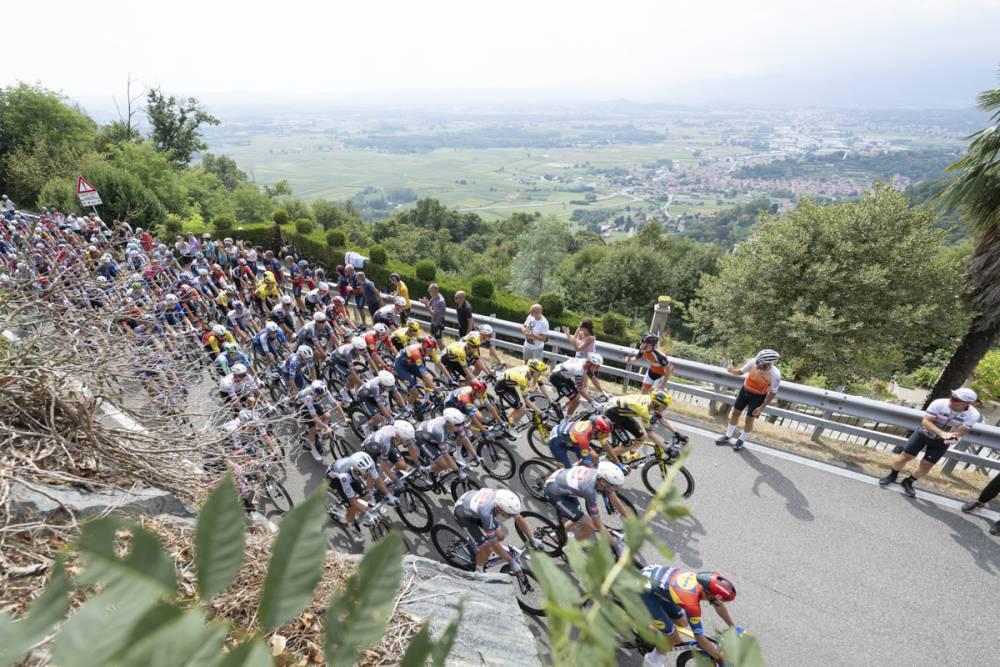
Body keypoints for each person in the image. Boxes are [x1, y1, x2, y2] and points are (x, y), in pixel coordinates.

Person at [879, 387, 981, 498]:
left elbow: (961, 431)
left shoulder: (973, 414)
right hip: (923, 433)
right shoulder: (939, 403)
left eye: (956, 400)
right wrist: (941, 433)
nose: (951, 400)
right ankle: (893, 475)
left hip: (943, 440)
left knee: (927, 465)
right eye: (952, 397)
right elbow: (926, 421)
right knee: (904, 457)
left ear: (967, 403)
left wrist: (950, 440)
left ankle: (908, 482)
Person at [638, 567, 738, 667]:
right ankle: (653, 659)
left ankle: (658, 624)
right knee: (673, 639)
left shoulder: (707, 581)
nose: (720, 602)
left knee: (683, 622)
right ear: (709, 594)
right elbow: (699, 638)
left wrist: (733, 627)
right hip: (645, 592)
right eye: (719, 599)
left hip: (655, 583)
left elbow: (718, 604)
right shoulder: (692, 603)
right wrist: (719, 659)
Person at [542, 463, 628, 554]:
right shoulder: (589, 490)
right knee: (589, 527)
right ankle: (568, 548)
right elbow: (597, 524)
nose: (616, 489)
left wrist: (629, 518)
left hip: (561, 484)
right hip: (553, 493)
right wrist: (616, 545)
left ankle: (558, 535)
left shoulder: (599, 477)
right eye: (614, 486)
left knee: (578, 518)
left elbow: (614, 499)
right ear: (603, 482)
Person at [453, 488, 542, 572]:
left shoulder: (503, 499)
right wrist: (511, 561)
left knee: (500, 535)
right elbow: (494, 543)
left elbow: (518, 518)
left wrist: (532, 539)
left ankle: (477, 543)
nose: (509, 517)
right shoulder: (486, 513)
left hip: (474, 506)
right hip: (463, 515)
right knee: (486, 547)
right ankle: (478, 570)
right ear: (499, 508)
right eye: (508, 515)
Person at [715, 349, 781, 452]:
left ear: (768, 364)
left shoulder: (775, 375)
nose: (757, 363)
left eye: (760, 362)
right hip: (744, 391)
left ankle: (741, 440)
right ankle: (728, 436)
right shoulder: (753, 362)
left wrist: (762, 407)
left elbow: (773, 392)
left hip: (758, 397)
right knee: (735, 413)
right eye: (757, 361)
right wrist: (732, 370)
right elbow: (741, 372)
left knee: (749, 420)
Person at [326, 451, 390, 543]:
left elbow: (377, 479)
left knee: (365, 495)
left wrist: (389, 495)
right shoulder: (345, 476)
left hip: (351, 474)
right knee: (352, 507)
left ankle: (362, 509)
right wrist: (367, 514)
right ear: (356, 469)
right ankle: (351, 527)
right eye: (364, 472)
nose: (367, 475)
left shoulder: (366, 465)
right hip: (335, 481)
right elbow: (352, 501)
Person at [604, 390, 684, 463]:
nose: (663, 409)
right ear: (655, 403)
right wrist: (667, 449)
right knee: (628, 445)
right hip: (611, 416)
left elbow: (661, 418)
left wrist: (677, 433)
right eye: (662, 407)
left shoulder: (651, 402)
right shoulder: (643, 410)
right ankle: (608, 458)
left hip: (621, 413)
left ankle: (621, 452)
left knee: (643, 437)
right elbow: (651, 434)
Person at [494, 359, 551, 427]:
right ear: (533, 371)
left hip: (509, 385)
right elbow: (526, 400)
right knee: (522, 410)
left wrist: (551, 400)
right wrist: (541, 413)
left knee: (518, 407)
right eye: (539, 372)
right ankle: (505, 427)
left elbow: (541, 385)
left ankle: (508, 421)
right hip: (501, 387)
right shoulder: (523, 378)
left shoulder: (533, 372)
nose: (541, 374)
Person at [549, 353, 607, 418]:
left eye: (598, 366)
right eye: (596, 366)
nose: (598, 368)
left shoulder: (585, 364)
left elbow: (594, 379)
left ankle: (563, 407)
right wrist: (593, 402)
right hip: (557, 378)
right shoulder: (579, 370)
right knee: (576, 400)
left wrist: (603, 392)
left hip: (564, 376)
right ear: (589, 364)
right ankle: (566, 421)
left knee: (577, 396)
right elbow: (581, 390)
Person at [547, 415, 613, 468]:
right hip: (555, 441)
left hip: (570, 437)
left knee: (594, 457)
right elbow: (587, 463)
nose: (606, 436)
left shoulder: (594, 429)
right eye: (605, 434)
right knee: (568, 470)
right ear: (596, 430)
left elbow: (607, 447)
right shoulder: (584, 438)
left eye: (607, 434)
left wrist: (618, 463)